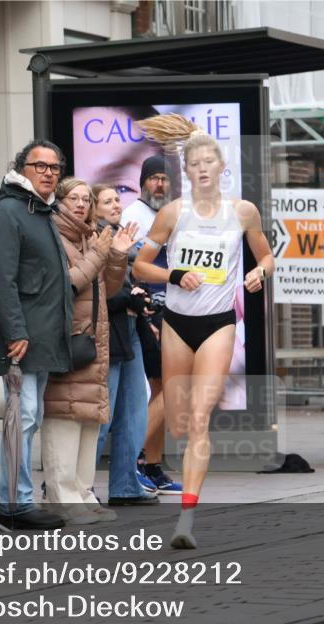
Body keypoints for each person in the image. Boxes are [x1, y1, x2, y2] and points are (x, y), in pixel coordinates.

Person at [133, 114, 275, 549]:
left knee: (198, 418)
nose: (202, 169)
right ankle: (143, 463)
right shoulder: (174, 213)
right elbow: (140, 266)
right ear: (186, 169)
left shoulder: (242, 211)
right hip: (177, 322)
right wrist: (174, 275)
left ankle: (186, 522)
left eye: (209, 162)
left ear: (221, 166)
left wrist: (259, 276)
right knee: (177, 420)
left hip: (218, 324)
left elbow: (267, 257)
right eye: (194, 163)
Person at [0, 140, 72, 530]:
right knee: (24, 416)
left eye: (55, 167)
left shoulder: (40, 211)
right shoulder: (8, 213)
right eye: (40, 165)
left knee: (29, 418)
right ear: (23, 168)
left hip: (41, 337)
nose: (49, 172)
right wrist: (15, 331)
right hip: (21, 339)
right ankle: (15, 503)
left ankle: (19, 498)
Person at [40, 177, 138, 525]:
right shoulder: (53, 236)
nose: (81, 204)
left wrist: (118, 256)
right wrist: (101, 252)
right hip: (68, 342)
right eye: (74, 198)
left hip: (93, 341)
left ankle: (82, 492)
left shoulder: (89, 237)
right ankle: (61, 497)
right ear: (60, 202)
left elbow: (107, 291)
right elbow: (70, 283)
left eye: (85, 199)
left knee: (87, 421)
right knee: (64, 419)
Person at [91, 184, 160, 505]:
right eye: (107, 201)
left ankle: (124, 485)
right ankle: (77, 486)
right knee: (102, 417)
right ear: (94, 209)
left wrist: (140, 299)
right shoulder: (94, 238)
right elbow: (97, 288)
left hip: (130, 330)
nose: (116, 204)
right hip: (108, 332)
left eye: (117, 199)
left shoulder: (124, 238)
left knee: (134, 414)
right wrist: (128, 298)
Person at [123, 155, 183, 495]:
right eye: (154, 178)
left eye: (164, 178)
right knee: (167, 390)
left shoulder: (166, 214)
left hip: (167, 308)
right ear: (142, 181)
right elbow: (132, 265)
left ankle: (152, 463)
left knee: (163, 390)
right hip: (149, 310)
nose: (159, 184)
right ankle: (132, 460)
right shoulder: (134, 216)